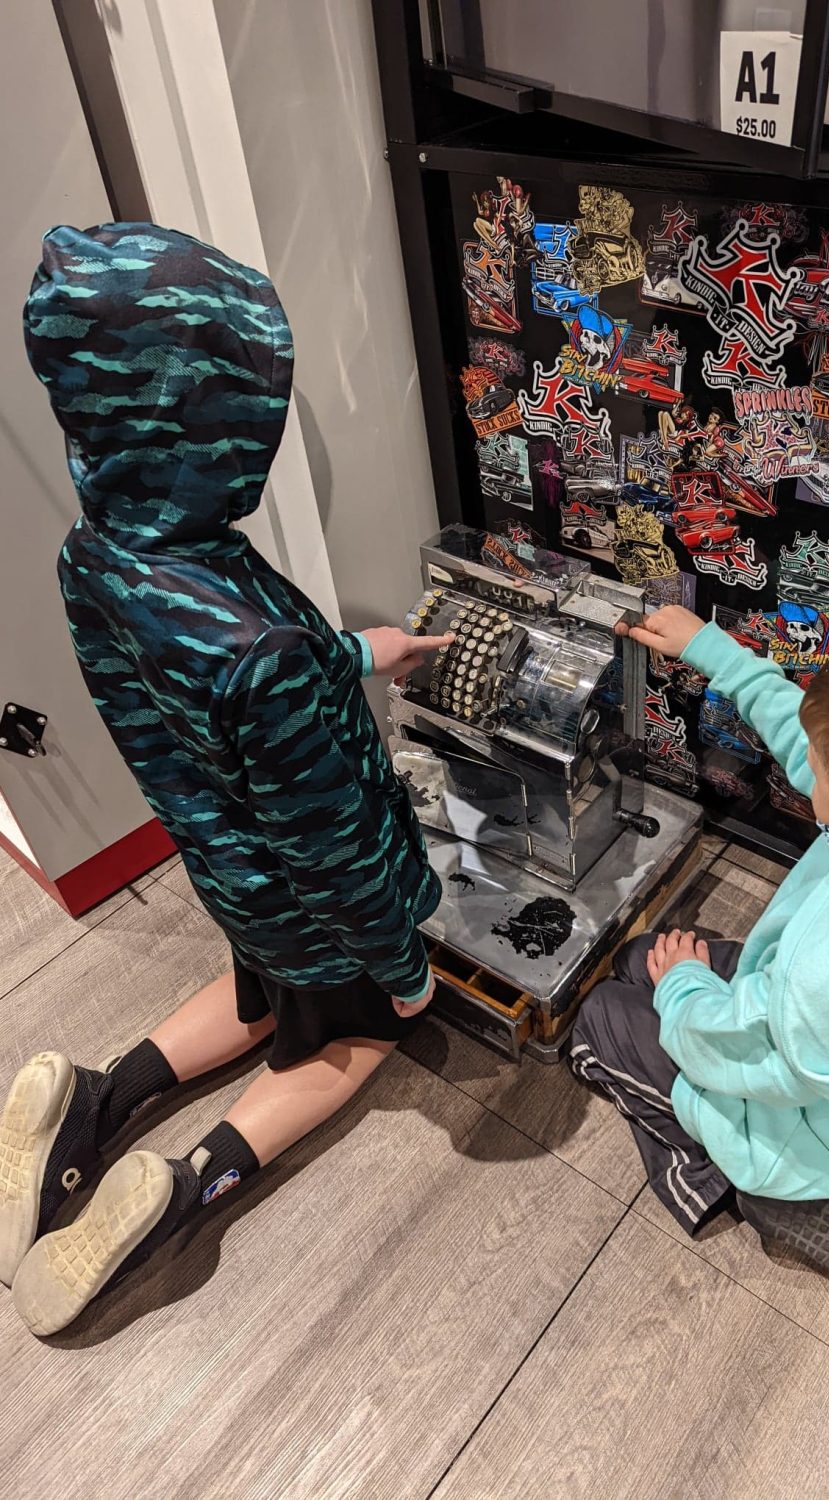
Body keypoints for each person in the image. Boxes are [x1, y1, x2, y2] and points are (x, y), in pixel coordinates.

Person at [0, 223, 451, 1337]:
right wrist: (402, 970)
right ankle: (185, 1188)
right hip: (315, 901)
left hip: (223, 864)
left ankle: (97, 1100)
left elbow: (215, 689)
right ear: (212, 430)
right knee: (341, 1043)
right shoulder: (262, 650)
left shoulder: (100, 553)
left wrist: (353, 656)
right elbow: (334, 845)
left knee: (257, 990)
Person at [572, 604, 829, 1287]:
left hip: (777, 1080)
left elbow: (738, 1053)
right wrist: (717, 652)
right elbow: (817, 752)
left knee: (599, 1018)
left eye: (819, 781)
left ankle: (764, 1193)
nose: (807, 780)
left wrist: (683, 989)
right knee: (637, 958)